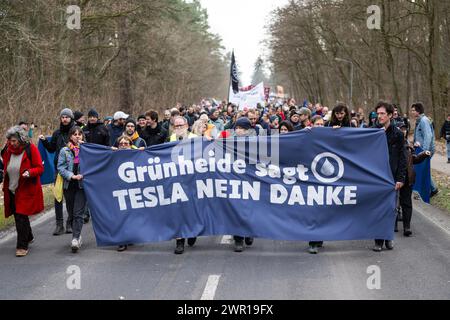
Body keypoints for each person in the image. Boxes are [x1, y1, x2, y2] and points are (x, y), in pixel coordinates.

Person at [2, 126, 44, 257]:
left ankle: (22, 246)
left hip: (26, 189)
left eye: (14, 140)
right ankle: (29, 235)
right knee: (18, 216)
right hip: (12, 189)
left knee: (21, 216)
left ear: (21, 139)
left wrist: (29, 172)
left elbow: (40, 168)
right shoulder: (8, 151)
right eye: (10, 140)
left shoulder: (31, 149)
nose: (12, 143)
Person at [372, 101, 407, 252]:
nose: (379, 116)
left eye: (382, 114)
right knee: (377, 210)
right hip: (376, 177)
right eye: (377, 114)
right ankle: (378, 241)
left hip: (392, 177)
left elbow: (402, 157)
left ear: (390, 115)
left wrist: (400, 178)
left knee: (391, 209)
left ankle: (388, 238)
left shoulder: (398, 134)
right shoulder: (372, 131)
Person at [39, 107, 75, 236]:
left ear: (71, 118)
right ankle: (59, 225)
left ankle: (70, 223)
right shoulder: (57, 133)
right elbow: (51, 149)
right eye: (63, 117)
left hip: (72, 169)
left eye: (67, 117)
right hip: (59, 170)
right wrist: (44, 141)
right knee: (58, 196)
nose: (64, 119)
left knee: (70, 197)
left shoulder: (75, 132)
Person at [397, 121, 431, 237]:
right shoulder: (392, 144)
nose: (403, 130)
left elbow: (413, 160)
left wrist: (424, 154)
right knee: (394, 203)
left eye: (404, 129)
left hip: (408, 178)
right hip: (395, 178)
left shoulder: (408, 145)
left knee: (406, 203)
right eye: (400, 129)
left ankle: (407, 227)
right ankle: (393, 225)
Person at [57, 126, 86, 253]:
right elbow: (61, 167)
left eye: (80, 134)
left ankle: (76, 237)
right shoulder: (64, 150)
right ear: (70, 136)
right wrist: (72, 176)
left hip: (82, 186)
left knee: (78, 213)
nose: (77, 136)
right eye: (74, 134)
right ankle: (77, 234)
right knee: (71, 212)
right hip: (69, 185)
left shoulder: (87, 149)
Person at [171, 116, 198, 254]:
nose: (179, 127)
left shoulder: (195, 138)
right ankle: (179, 241)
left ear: (187, 125)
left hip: (192, 180)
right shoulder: (170, 139)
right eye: (176, 126)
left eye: (181, 125)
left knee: (192, 209)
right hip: (177, 181)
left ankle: (192, 232)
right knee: (178, 212)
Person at [231, 117, 255, 252]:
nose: (239, 131)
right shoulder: (229, 141)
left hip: (250, 180)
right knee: (236, 209)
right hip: (234, 179)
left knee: (249, 208)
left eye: (242, 128)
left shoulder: (256, 142)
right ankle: (238, 238)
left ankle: (249, 232)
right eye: (237, 128)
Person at [411, 102, 438, 197]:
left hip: (426, 150)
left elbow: (428, 135)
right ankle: (432, 188)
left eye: (413, 110)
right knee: (423, 168)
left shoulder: (424, 120)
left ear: (418, 111)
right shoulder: (419, 120)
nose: (412, 112)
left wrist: (425, 151)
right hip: (421, 149)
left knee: (423, 168)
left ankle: (433, 189)